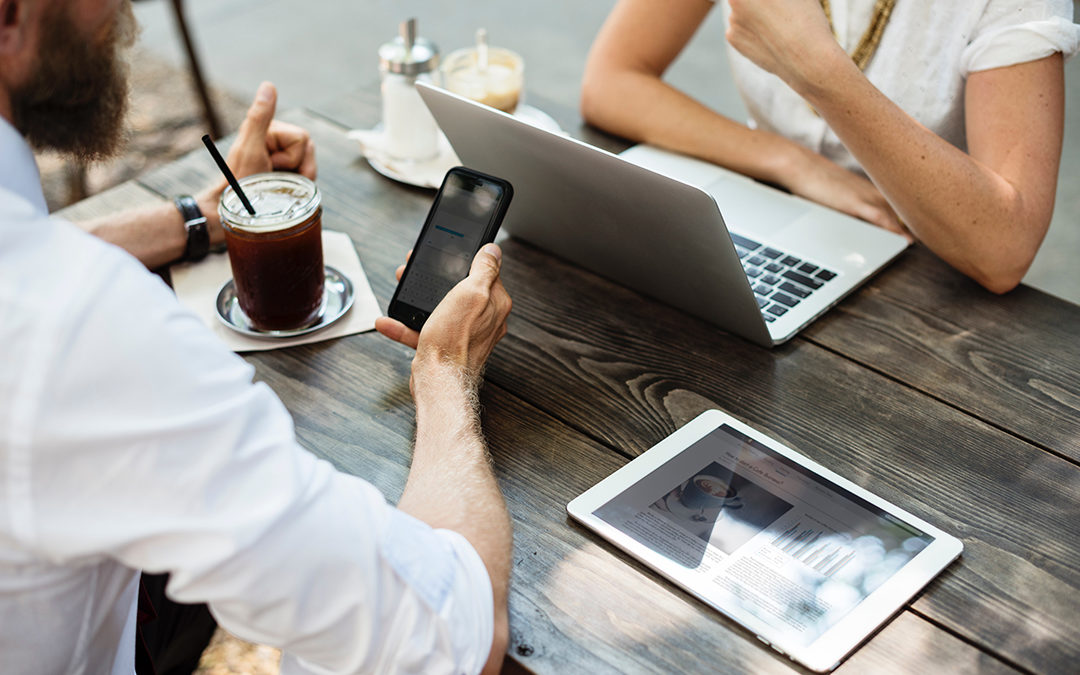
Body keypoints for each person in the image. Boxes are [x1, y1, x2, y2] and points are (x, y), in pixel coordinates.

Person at [0, 1, 513, 674]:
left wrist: (198, 218)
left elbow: (28, 249)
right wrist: (446, 370)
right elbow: (450, 636)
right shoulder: (80, 322)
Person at [581, 0, 1080, 294]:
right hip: (771, 217)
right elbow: (611, 81)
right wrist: (790, 161)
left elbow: (1003, 249)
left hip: (927, 263)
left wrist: (819, 71)